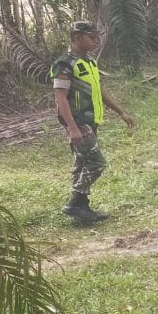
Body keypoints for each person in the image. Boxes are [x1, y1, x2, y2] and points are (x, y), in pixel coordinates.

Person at [50, 20, 135, 224]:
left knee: (82, 164)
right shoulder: (64, 65)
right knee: (96, 163)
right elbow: (60, 98)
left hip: (91, 121)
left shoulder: (89, 62)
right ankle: (75, 203)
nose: (97, 41)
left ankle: (82, 209)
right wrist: (72, 128)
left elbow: (100, 90)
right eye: (91, 37)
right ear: (77, 38)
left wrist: (121, 112)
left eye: (97, 37)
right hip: (79, 123)